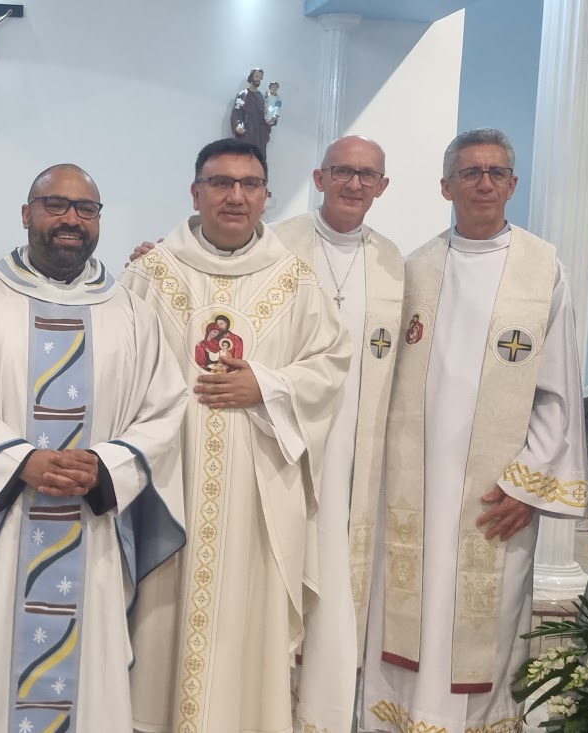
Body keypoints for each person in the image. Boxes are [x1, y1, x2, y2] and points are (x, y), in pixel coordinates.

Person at [0, 164, 187, 733]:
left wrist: (105, 466)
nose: (71, 219)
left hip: (91, 533)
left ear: (98, 221)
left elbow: (165, 411)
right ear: (27, 213)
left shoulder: (133, 313)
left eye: (85, 209)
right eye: (55, 205)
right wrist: (21, 460)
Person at [120, 138, 350, 733]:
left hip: (256, 494)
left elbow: (331, 366)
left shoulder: (295, 281)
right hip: (169, 487)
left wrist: (267, 386)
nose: (235, 196)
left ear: (266, 197)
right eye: (221, 183)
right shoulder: (150, 274)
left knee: (248, 630)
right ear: (195, 192)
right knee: (160, 624)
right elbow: (116, 366)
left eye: (250, 184)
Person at [361, 128, 588, 733]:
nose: (483, 183)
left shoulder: (543, 270)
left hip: (496, 493)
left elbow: (558, 391)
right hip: (412, 487)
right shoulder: (414, 269)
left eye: (495, 173)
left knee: (483, 628)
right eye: (470, 173)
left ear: (512, 185)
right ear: (446, 187)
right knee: (407, 614)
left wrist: (527, 484)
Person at [269, 135, 404, 733]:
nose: (354, 184)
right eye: (343, 171)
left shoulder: (394, 263)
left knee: (339, 576)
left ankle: (323, 714)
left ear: (383, 187)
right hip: (286, 435)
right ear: (319, 178)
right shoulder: (276, 243)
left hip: (356, 448)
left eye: (367, 175)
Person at [231, 68, 276, 154]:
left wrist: (272, 119)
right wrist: (237, 124)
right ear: (251, 77)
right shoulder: (243, 94)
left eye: (260, 77)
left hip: (259, 134)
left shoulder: (262, 97)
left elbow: (266, 114)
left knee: (258, 157)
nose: (258, 79)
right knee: (244, 156)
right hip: (246, 132)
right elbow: (236, 110)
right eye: (256, 76)